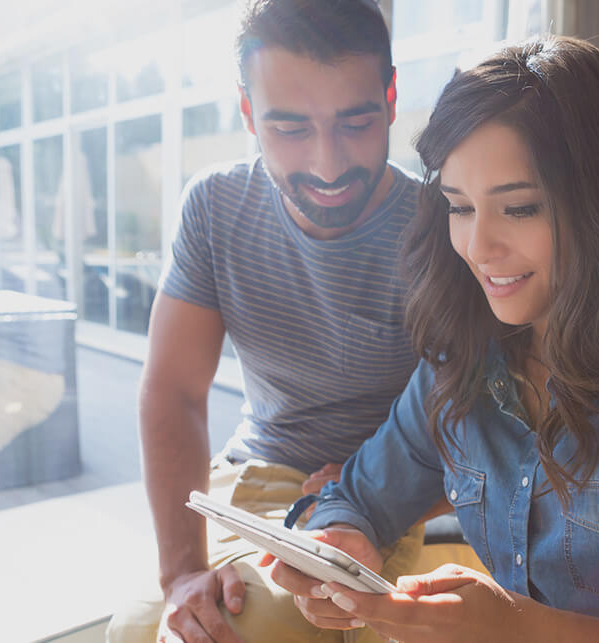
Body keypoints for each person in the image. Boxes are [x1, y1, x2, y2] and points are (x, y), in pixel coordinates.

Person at [270, 35, 599, 642]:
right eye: (459, 207)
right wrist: (340, 542)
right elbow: (356, 495)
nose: (478, 247)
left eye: (520, 208)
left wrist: (519, 629)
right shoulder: (461, 358)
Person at [106, 1, 457, 641]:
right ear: (247, 112)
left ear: (391, 98)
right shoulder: (215, 207)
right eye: (290, 128)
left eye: (355, 122)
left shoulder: (442, 230)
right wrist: (182, 573)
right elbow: (174, 391)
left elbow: (486, 424)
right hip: (246, 476)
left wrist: (375, 492)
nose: (328, 165)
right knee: (134, 630)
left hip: (369, 497)